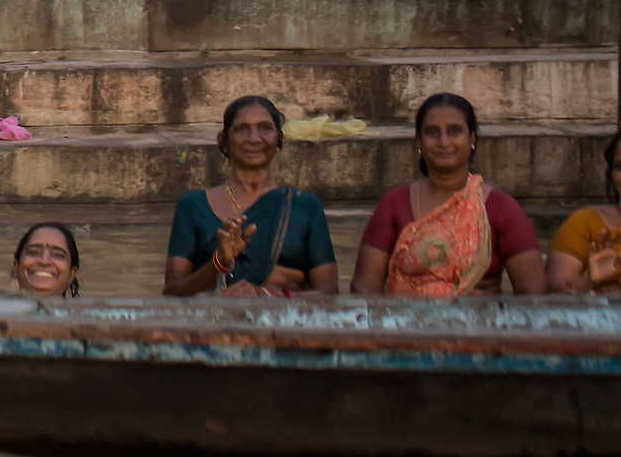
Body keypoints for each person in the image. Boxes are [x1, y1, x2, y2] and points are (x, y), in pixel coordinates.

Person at [350, 94, 546, 297]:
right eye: (432, 133)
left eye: (454, 131)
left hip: (478, 324)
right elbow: (364, 286)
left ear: (472, 138)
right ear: (419, 140)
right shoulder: (393, 205)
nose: (444, 142)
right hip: (408, 324)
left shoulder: (502, 209)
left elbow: (533, 292)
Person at [162, 96, 339, 297]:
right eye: (241, 129)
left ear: (279, 141)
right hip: (216, 323)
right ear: (223, 141)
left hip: (284, 323)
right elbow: (172, 294)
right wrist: (218, 262)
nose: (254, 138)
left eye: (265, 128)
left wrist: (267, 297)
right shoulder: (193, 205)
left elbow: (329, 293)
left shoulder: (305, 206)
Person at [547, 132, 621, 296]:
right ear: (611, 173)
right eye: (620, 167)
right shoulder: (584, 223)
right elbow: (553, 292)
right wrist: (589, 280)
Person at [9, 222, 82, 298]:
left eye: (58, 255)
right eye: (33, 252)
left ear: (71, 274)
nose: (44, 261)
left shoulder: (89, 309)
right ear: (16, 267)